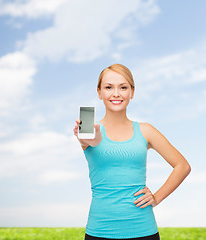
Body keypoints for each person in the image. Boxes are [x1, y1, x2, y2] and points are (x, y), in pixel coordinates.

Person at [73, 63, 191, 240]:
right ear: (99, 92)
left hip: (143, 230)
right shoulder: (91, 132)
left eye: (123, 87)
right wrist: (93, 138)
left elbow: (182, 166)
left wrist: (157, 197)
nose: (116, 93)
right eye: (108, 87)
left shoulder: (146, 131)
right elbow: (93, 141)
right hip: (99, 231)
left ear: (132, 92)